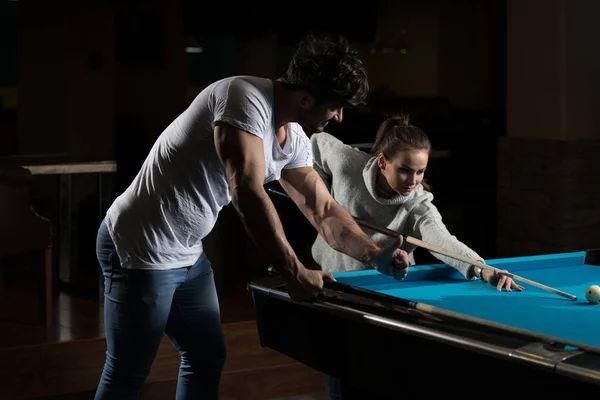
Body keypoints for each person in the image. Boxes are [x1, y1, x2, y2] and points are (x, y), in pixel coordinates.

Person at [94, 33, 410, 400]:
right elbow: (246, 189)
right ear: (306, 98)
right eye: (335, 107)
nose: (339, 117)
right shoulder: (242, 99)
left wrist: (375, 254)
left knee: (205, 356)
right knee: (128, 371)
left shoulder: (293, 137)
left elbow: (323, 209)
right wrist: (294, 272)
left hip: (187, 252)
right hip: (139, 245)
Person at [309, 114, 524, 399]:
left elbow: (442, 241)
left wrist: (482, 269)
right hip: (337, 283)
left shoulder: (418, 204)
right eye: (406, 171)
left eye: (420, 172)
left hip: (389, 291)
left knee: (387, 378)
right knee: (341, 376)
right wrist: (321, 199)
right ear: (383, 161)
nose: (414, 181)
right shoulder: (348, 164)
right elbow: (315, 142)